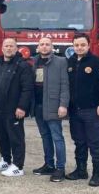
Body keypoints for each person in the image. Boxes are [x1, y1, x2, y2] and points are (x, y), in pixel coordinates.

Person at [66, 33, 99, 187]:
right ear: (73, 46)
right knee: (79, 142)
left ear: (89, 45)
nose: (79, 48)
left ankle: (97, 174)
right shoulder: (70, 62)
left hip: (92, 110)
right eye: (76, 45)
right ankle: (81, 170)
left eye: (82, 45)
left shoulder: (98, 62)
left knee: (95, 142)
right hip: (74, 111)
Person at [0, 38, 34, 177]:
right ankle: (6, 160)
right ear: (2, 48)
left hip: (14, 109)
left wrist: (22, 107)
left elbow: (27, 88)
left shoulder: (23, 66)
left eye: (11, 46)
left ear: (16, 49)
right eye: (6, 46)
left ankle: (18, 167)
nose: (8, 48)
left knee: (16, 138)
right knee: (0, 136)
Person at [31, 37, 70, 182]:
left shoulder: (61, 62)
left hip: (53, 105)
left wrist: (63, 105)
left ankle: (60, 168)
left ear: (52, 47)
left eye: (47, 44)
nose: (44, 46)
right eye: (42, 44)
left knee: (57, 137)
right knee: (45, 136)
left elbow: (65, 85)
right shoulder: (34, 61)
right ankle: (49, 165)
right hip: (38, 106)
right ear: (38, 47)